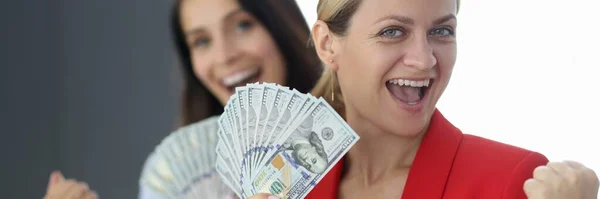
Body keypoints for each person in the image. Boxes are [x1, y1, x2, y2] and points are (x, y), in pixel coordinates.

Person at [249, 0, 600, 198]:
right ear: (327, 44)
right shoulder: (284, 183)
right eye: (392, 31)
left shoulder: (514, 181)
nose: (425, 59)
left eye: (441, 31)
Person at [43, 0, 321, 199]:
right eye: (201, 41)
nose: (224, 56)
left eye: (243, 25)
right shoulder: (174, 173)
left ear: (282, 26)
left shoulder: (353, 143)